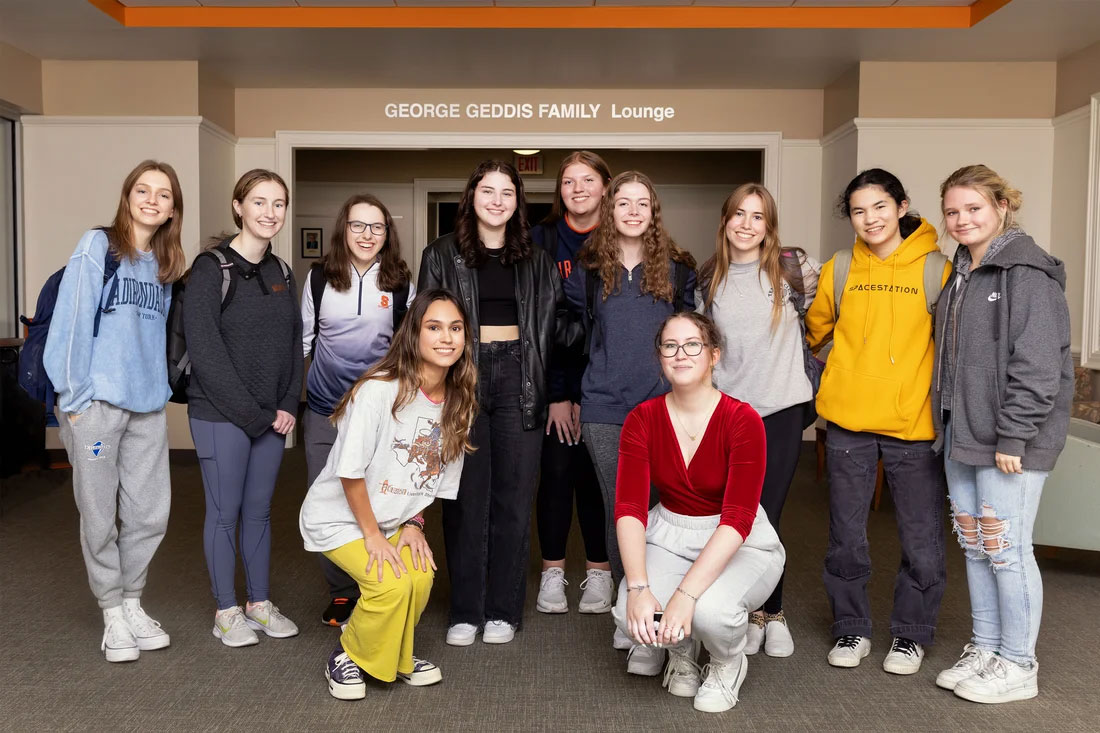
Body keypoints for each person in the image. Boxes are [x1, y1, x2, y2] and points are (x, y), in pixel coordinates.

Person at [932, 165, 1072, 704]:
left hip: (1009, 442)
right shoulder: (963, 270)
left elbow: (1039, 366)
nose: (962, 220)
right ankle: (988, 647)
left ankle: (1019, 664)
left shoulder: (1026, 273)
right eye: (952, 211)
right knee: (974, 544)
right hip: (963, 433)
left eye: (973, 208)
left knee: (1006, 547)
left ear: (1001, 207)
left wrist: (1013, 437)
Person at [299, 289, 479, 700]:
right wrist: (375, 536)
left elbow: (431, 478)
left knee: (420, 576)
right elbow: (350, 473)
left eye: (455, 328)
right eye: (434, 327)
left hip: (392, 517)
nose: (446, 338)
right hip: (339, 516)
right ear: (413, 333)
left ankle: (394, 653)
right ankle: (347, 654)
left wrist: (413, 523)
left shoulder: (459, 402)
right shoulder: (379, 390)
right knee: (390, 584)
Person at [805, 168, 951, 675]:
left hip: (913, 424)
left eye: (879, 207)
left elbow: (952, 345)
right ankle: (851, 628)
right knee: (846, 535)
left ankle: (910, 635)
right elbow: (813, 332)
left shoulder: (938, 269)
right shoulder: (840, 267)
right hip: (848, 422)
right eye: (858, 210)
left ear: (903, 206)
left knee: (921, 538)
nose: (869, 219)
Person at [44, 160, 186, 662]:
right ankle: (111, 612)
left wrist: (161, 391)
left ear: (173, 209)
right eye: (142, 190)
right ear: (127, 197)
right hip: (97, 408)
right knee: (100, 515)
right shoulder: (97, 247)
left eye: (163, 194)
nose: (152, 200)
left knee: (150, 514)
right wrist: (73, 399)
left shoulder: (165, 266)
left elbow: (155, 340)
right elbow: (71, 321)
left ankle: (132, 601)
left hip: (147, 409)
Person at [418, 160, 564, 646]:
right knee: (463, 497)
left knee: (514, 498)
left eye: (507, 192)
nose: (497, 200)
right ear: (472, 196)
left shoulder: (537, 259)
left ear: (518, 202)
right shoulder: (440, 254)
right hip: (463, 378)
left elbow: (557, 326)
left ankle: (503, 609)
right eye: (488, 190)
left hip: (522, 378)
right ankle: (466, 609)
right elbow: (424, 325)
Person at [613, 311, 784, 713]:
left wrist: (685, 595)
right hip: (670, 532)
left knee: (710, 612)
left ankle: (728, 662)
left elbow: (738, 518)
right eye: (670, 346)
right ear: (660, 357)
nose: (681, 354)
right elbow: (630, 508)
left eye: (693, 345)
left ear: (714, 355)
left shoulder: (743, 420)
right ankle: (680, 649)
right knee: (628, 612)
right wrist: (638, 587)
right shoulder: (643, 418)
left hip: (739, 542)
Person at [564, 170, 696, 650]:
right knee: (622, 509)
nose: (633, 211)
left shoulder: (679, 268)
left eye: (643, 203)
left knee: (667, 507)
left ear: (653, 211)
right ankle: (631, 610)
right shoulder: (589, 268)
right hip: (604, 406)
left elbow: (692, 338)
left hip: (666, 407)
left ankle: (668, 606)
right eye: (624, 203)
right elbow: (574, 334)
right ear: (610, 210)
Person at [697, 183, 819, 658]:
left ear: (769, 226)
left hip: (782, 411)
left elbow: (828, 323)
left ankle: (774, 613)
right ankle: (746, 610)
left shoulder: (794, 271)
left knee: (769, 514)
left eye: (758, 217)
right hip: (730, 415)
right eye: (738, 215)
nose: (747, 225)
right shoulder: (707, 279)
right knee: (734, 516)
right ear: (725, 220)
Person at [184, 169, 304, 647]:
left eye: (278, 204)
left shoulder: (283, 272)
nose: (269, 213)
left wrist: (287, 404)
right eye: (259, 202)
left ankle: (259, 602)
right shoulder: (210, 269)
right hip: (219, 415)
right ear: (238, 207)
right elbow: (207, 355)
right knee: (224, 512)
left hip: (271, 418)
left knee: (259, 512)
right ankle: (227, 610)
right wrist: (257, 416)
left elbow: (295, 344)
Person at [300, 193, 415, 627]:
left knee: (378, 495)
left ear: (387, 234)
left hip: (379, 412)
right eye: (357, 226)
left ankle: (377, 580)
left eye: (376, 227)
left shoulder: (401, 282)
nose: (367, 235)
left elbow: (407, 349)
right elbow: (305, 344)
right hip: (326, 410)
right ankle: (343, 592)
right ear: (343, 230)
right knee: (326, 496)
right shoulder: (317, 279)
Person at [531, 152, 614, 615]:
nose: (578, 188)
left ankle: (599, 573)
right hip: (554, 383)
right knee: (558, 475)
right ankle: (553, 573)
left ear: (606, 186)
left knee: (599, 478)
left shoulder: (624, 236)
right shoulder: (541, 239)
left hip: (608, 384)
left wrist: (592, 392)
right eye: (568, 181)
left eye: (588, 179)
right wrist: (561, 394)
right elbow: (542, 324)